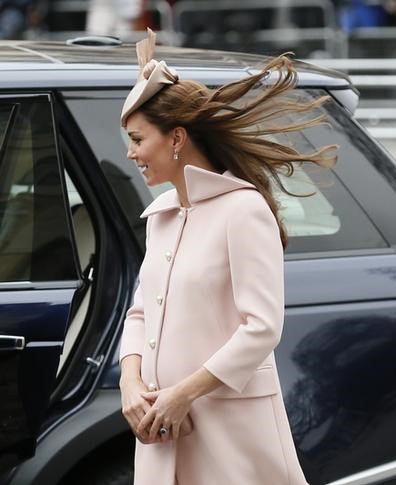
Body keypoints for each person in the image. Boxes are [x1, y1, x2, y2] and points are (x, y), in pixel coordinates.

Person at [118, 30, 335, 485]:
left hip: (230, 433)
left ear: (176, 137)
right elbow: (140, 312)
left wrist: (183, 394)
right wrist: (130, 383)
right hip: (162, 429)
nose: (131, 153)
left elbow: (261, 327)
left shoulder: (243, 209)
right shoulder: (161, 215)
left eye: (138, 139)